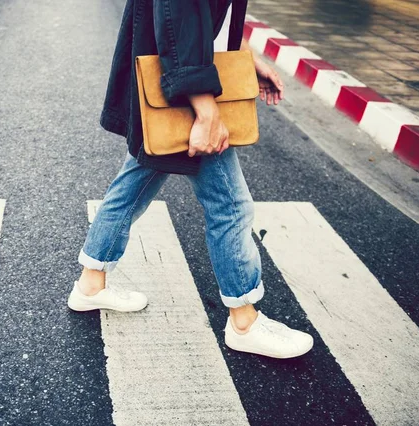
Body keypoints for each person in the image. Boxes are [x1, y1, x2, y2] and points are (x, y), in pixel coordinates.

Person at [67, 0, 314, 359]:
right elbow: (178, 18)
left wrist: (243, 58)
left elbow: (209, 17)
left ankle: (91, 284)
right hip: (184, 89)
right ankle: (244, 322)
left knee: (135, 182)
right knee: (230, 206)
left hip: (176, 83)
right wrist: (207, 109)